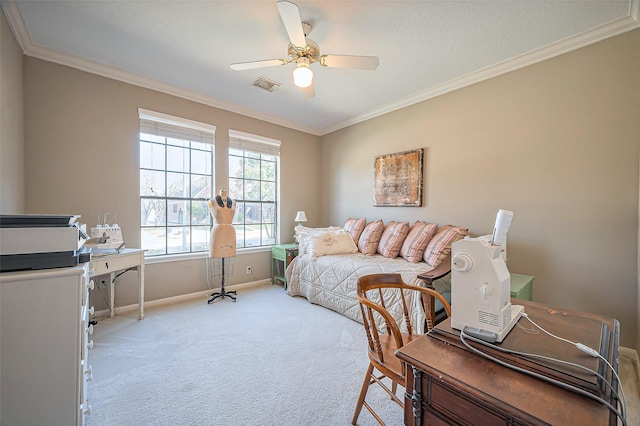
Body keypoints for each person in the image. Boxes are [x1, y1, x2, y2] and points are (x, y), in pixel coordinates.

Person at [208, 189, 236, 258]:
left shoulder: (233, 202)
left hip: (230, 232)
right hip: (218, 233)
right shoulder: (212, 202)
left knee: (230, 258)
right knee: (216, 258)